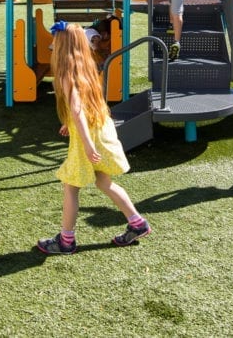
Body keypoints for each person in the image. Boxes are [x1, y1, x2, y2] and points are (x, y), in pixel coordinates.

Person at [36, 21, 151, 254]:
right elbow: (84, 108)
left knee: (70, 186)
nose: (53, 44)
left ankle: (66, 241)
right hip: (99, 127)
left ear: (63, 46)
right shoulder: (86, 67)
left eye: (56, 41)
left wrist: (87, 145)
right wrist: (70, 124)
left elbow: (77, 110)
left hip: (88, 137)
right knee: (103, 182)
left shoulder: (68, 73)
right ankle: (137, 223)